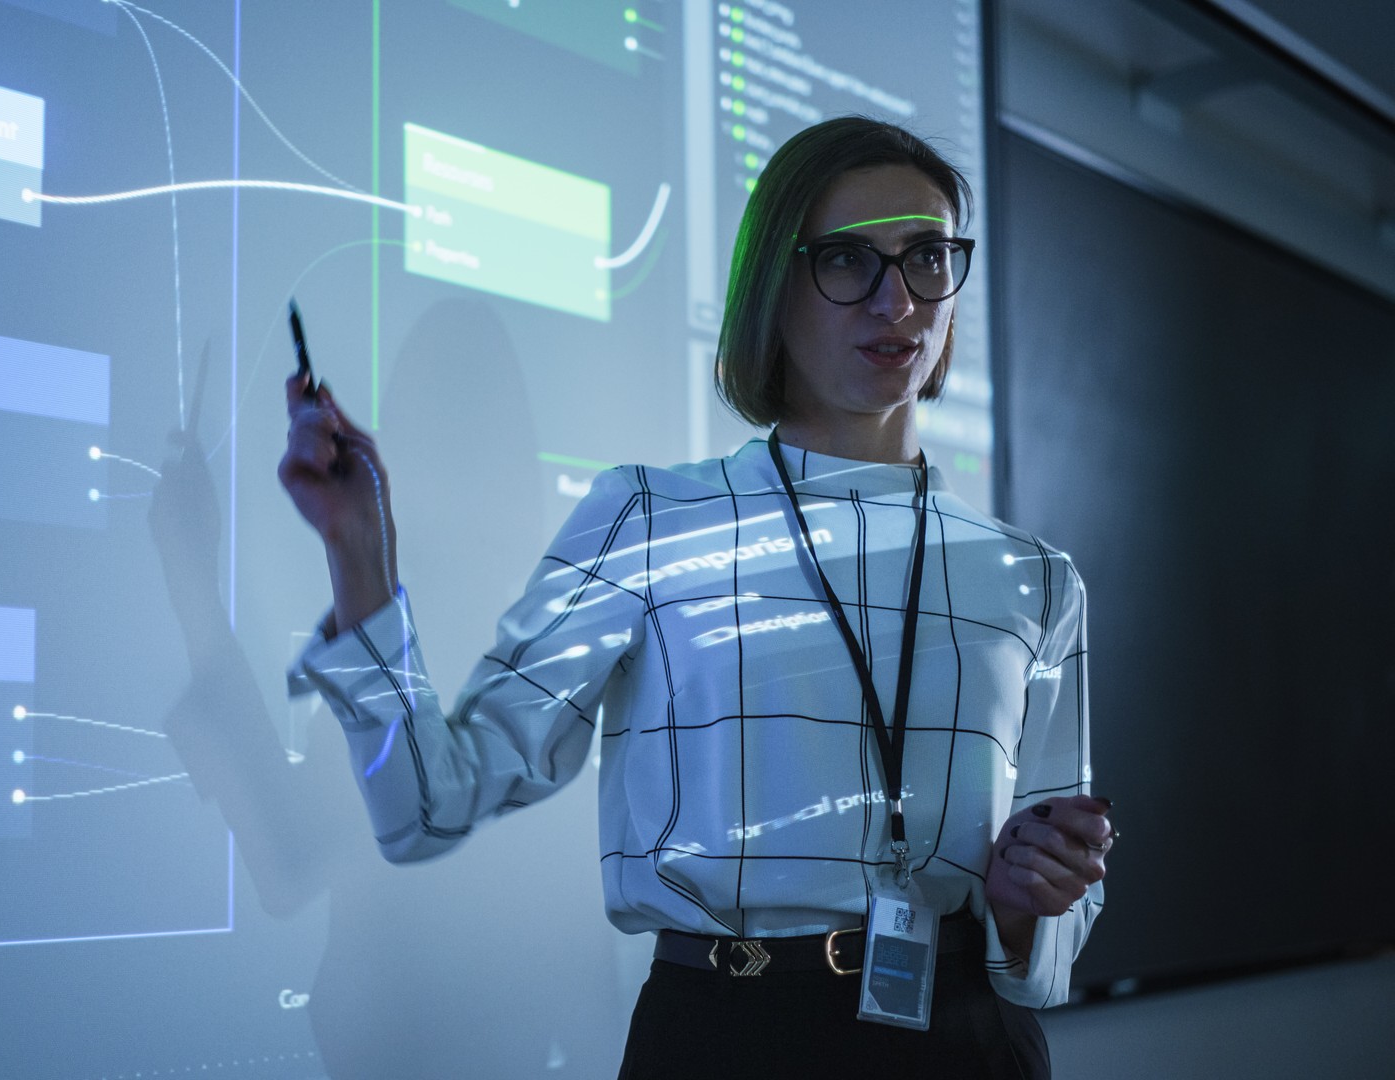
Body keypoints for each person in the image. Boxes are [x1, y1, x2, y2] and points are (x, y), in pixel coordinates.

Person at [277, 116, 1112, 1078]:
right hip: (725, 1036)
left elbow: (1051, 947)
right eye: (848, 260)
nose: (897, 300)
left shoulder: (1035, 579)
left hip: (966, 1041)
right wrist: (358, 557)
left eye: (927, 256)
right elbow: (427, 806)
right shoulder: (649, 519)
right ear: (773, 287)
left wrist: (1022, 901)